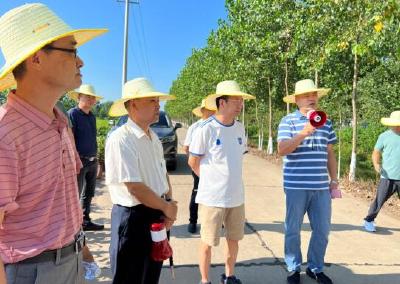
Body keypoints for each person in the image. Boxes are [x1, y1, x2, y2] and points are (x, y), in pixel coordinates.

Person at [0, 3, 106, 283]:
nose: (81, 61)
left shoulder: (60, 121)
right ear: (36, 59)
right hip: (31, 270)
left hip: (70, 260)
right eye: (72, 50)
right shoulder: (5, 133)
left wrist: (82, 251)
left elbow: (64, 199)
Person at [105, 77, 178, 284]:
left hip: (157, 212)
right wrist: (166, 206)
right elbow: (135, 187)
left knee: (151, 272)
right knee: (129, 276)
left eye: (158, 100)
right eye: (152, 101)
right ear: (133, 104)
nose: (158, 105)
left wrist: (168, 204)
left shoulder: (153, 137)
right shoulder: (121, 139)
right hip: (133, 218)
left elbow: (162, 173)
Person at [188, 80, 255, 284]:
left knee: (234, 239)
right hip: (212, 198)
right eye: (236, 99)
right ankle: (205, 279)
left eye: (241, 99)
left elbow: (236, 158)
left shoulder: (240, 128)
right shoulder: (206, 129)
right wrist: (210, 180)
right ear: (222, 102)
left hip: (236, 196)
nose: (240, 103)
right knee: (208, 242)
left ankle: (229, 274)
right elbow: (193, 161)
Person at [278, 79, 338, 284]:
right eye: (306, 95)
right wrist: (303, 132)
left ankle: (315, 267)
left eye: (314, 94)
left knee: (322, 229)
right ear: (296, 100)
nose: (312, 98)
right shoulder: (288, 121)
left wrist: (334, 180)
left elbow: (330, 153)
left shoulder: (326, 122)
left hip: (321, 187)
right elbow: (282, 149)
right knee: (292, 229)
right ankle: (293, 268)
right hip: (296, 186)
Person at [68, 84, 104, 231]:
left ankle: (85, 220)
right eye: (87, 96)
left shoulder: (92, 117)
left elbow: (92, 138)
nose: (90, 99)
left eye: (92, 97)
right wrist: (74, 159)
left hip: (92, 160)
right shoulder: (73, 114)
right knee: (75, 193)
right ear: (78, 97)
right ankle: (72, 224)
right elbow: (70, 139)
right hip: (79, 161)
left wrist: (97, 158)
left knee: (89, 193)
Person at [363, 111, 400, 232]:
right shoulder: (384, 136)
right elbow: (376, 152)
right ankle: (369, 220)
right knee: (380, 200)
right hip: (387, 176)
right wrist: (376, 165)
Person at [183, 99, 216, 233]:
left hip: (215, 168)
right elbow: (186, 148)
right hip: (199, 168)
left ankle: (217, 221)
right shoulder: (195, 127)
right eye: (209, 108)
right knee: (197, 193)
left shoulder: (218, 126)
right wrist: (195, 164)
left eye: (214, 108)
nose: (212, 111)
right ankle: (193, 221)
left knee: (215, 194)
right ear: (202, 110)